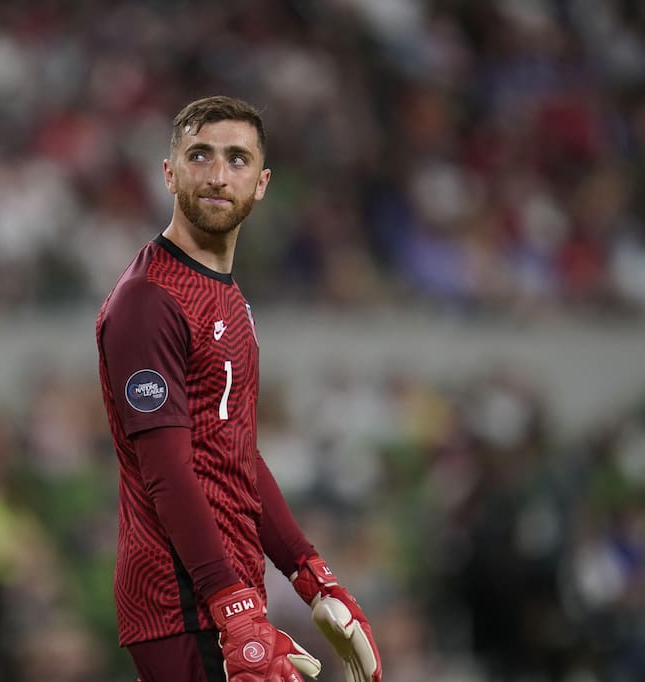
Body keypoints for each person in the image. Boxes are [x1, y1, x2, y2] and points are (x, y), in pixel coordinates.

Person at [95, 95, 383, 682]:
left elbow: (238, 455)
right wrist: (233, 606)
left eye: (237, 159)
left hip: (223, 598)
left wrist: (311, 574)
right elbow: (166, 472)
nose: (218, 175)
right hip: (183, 601)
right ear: (169, 172)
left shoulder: (226, 295)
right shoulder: (149, 300)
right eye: (200, 155)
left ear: (261, 183)